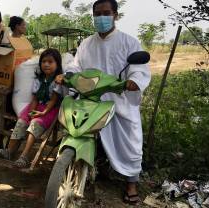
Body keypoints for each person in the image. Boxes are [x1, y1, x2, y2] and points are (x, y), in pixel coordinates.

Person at [56, 0, 151, 205]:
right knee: (75, 126)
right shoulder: (87, 43)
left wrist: (133, 81)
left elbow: (139, 68)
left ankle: (131, 183)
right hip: (90, 98)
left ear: (115, 15)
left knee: (130, 139)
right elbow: (76, 64)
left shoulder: (129, 42)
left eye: (106, 13)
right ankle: (77, 165)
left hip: (118, 100)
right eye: (97, 14)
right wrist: (68, 75)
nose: (101, 18)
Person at [0, 49, 65, 168]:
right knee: (22, 121)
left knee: (34, 124)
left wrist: (42, 112)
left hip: (50, 108)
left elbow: (53, 100)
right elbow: (35, 99)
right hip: (37, 105)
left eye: (50, 62)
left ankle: (24, 156)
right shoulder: (38, 79)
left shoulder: (58, 81)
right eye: (43, 61)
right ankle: (9, 151)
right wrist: (31, 112)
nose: (46, 64)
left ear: (57, 64)